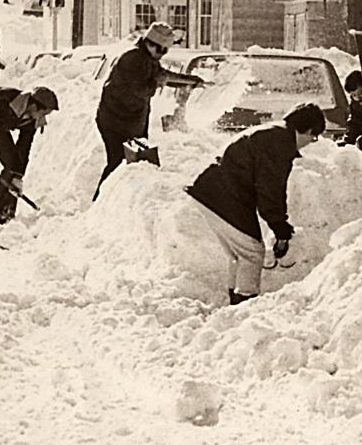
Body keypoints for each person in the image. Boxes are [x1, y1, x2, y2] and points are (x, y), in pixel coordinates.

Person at [186, 103, 326, 305]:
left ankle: (236, 301)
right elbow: (270, 191)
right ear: (308, 130)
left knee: (241, 254)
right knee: (252, 252)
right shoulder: (279, 144)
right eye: (314, 137)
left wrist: (279, 225)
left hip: (213, 191)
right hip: (224, 195)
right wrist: (280, 228)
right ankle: (244, 305)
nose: (311, 142)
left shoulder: (275, 133)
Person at [93, 21, 204, 201]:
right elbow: (140, 90)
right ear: (151, 44)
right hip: (115, 122)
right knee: (118, 162)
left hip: (130, 122)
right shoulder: (133, 59)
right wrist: (156, 83)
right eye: (162, 51)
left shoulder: (147, 59)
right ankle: (100, 203)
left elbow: (164, 75)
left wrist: (191, 81)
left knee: (128, 164)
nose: (162, 55)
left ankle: (117, 202)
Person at [0, 86, 59, 231]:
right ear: (33, 106)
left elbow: (23, 148)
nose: (43, 119)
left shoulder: (32, 120)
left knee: (11, 164)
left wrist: (18, 177)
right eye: (43, 113)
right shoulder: (4, 100)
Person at [339, 70, 362, 150]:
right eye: (354, 95)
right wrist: (348, 142)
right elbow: (355, 125)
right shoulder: (356, 107)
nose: (358, 98)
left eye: (361, 93)